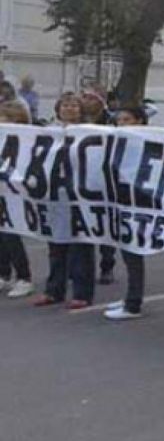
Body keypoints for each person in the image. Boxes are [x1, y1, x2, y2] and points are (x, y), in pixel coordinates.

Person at [34, 93, 96, 310]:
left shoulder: (91, 132)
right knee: (56, 245)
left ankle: (82, 293)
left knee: (81, 245)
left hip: (80, 196)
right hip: (55, 195)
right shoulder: (48, 132)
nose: (69, 109)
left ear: (81, 110)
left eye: (74, 105)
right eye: (65, 105)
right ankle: (54, 290)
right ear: (58, 109)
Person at [103, 107, 151, 321]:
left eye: (127, 119)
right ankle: (131, 297)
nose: (122, 123)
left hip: (136, 203)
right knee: (127, 251)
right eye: (119, 120)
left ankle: (133, 304)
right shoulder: (118, 142)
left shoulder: (145, 143)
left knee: (133, 252)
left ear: (139, 121)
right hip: (121, 200)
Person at [0, 101, 34, 299]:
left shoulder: (25, 140)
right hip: (2, 189)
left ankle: (24, 277)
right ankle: (4, 273)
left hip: (14, 191)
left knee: (11, 234)